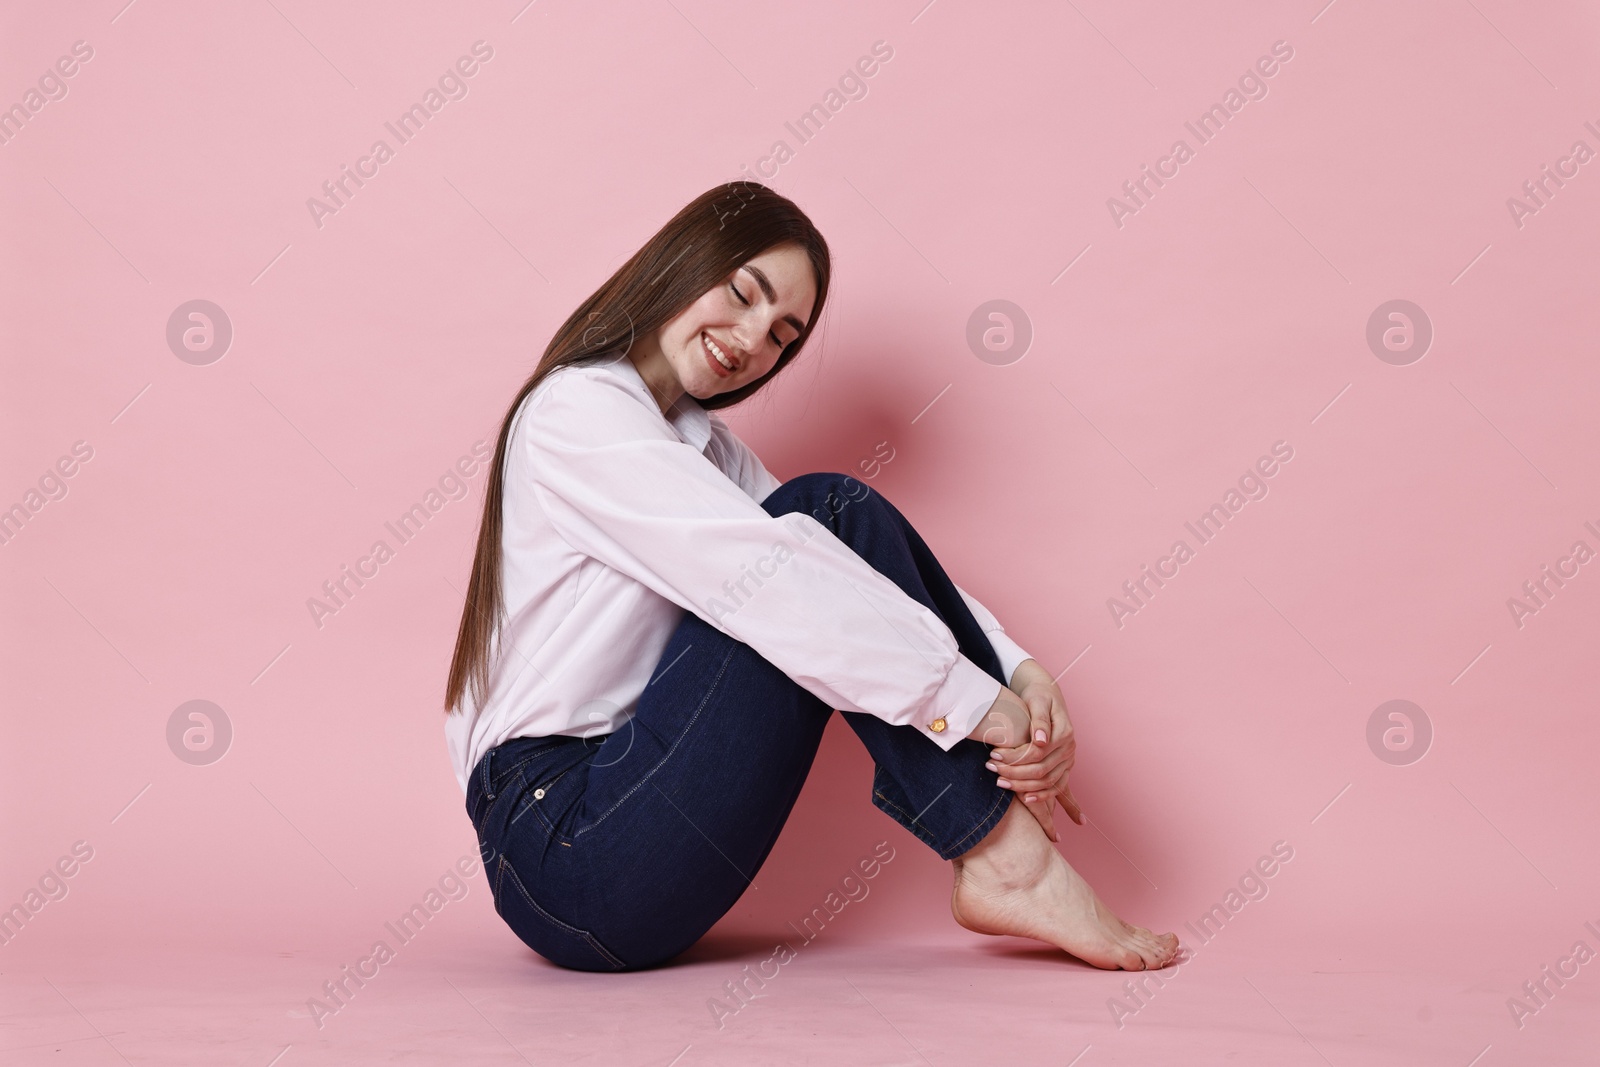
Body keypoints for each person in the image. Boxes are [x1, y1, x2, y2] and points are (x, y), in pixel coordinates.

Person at [443, 181, 1179, 973]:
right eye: (743, 294)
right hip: (565, 851)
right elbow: (780, 584)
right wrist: (976, 706)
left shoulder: (704, 449)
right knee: (819, 519)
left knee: (834, 520)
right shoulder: (574, 413)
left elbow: (839, 564)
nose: (753, 341)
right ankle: (1010, 859)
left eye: (782, 337)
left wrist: (1022, 674)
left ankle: (1007, 857)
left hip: (642, 816)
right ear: (681, 262)